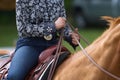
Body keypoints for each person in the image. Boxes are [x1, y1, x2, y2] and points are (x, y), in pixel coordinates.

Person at [6, 0, 80, 80]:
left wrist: (70, 37)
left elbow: (62, 24)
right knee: (14, 76)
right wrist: (53, 27)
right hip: (30, 45)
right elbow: (23, 28)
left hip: (53, 46)